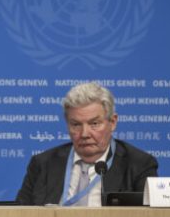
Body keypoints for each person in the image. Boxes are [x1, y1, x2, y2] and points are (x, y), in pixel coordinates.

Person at [16, 82, 158, 206]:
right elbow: (20, 215)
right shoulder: (43, 164)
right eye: (76, 124)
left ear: (112, 122)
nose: (84, 134)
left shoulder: (139, 165)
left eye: (94, 123)